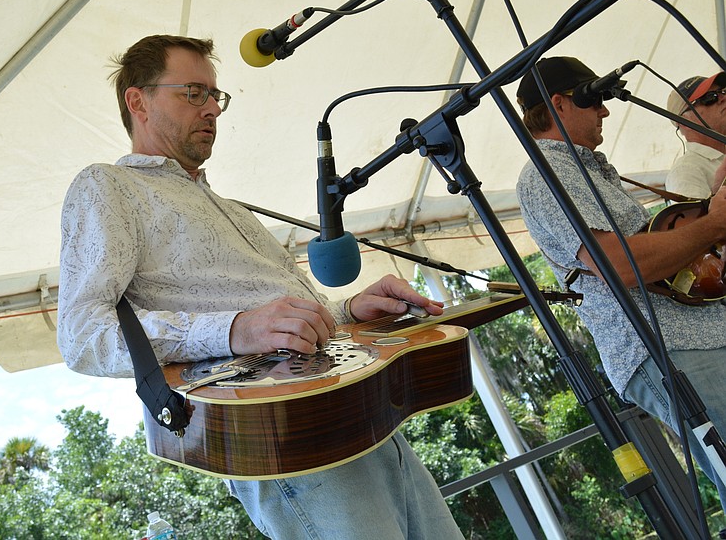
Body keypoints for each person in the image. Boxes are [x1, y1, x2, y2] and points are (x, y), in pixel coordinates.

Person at [56, 34, 464, 539]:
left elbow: (286, 321)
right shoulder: (106, 186)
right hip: (289, 439)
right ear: (137, 101)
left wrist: (349, 310)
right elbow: (80, 337)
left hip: (360, 416)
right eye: (193, 93)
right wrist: (235, 330)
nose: (212, 109)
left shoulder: (234, 209)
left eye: (215, 96)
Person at [514, 56, 726, 509]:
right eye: (594, 101)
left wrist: (709, 216)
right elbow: (621, 266)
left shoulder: (583, 170)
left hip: (692, 339)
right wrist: (713, 225)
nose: (606, 110)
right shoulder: (546, 174)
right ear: (559, 104)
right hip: (667, 347)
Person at [665, 72, 726, 198]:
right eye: (710, 97)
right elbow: (699, 218)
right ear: (685, 121)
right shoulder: (686, 170)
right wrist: (717, 193)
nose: (723, 98)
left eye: (723, 91)